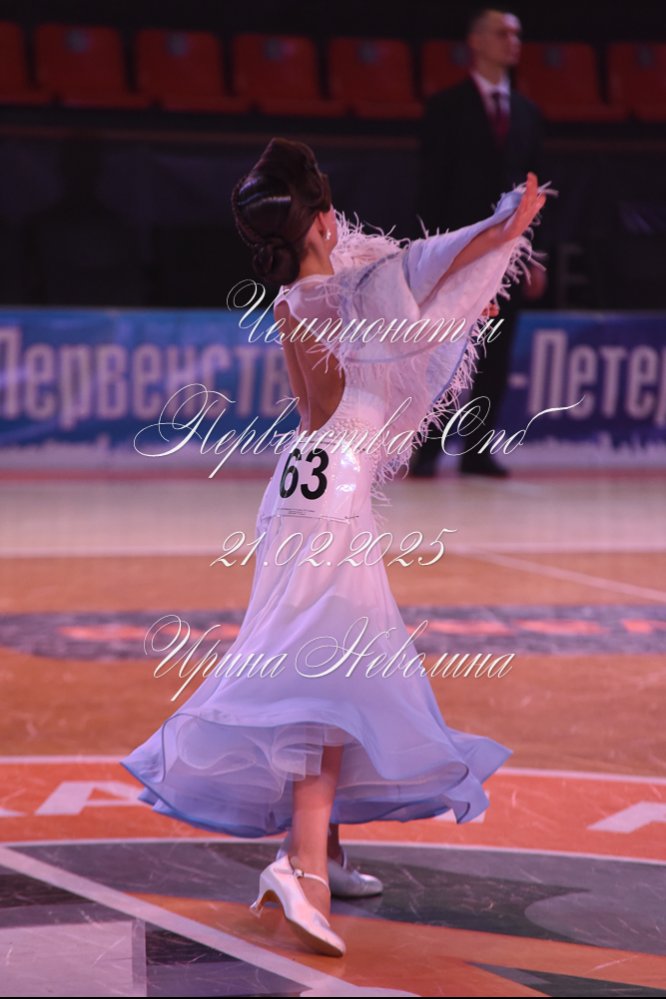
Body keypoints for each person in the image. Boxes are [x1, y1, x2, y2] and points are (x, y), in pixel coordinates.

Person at [121, 137, 554, 958]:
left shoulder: (304, 295)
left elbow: (415, 284)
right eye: (328, 211)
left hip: (303, 494)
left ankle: (324, 852)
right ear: (323, 221)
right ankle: (305, 871)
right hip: (325, 503)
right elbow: (417, 279)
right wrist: (498, 234)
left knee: (333, 676)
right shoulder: (341, 292)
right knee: (327, 686)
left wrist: (478, 257)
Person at [412, 6, 548, 478]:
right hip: (457, 251)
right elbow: (431, 186)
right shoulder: (445, 108)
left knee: (495, 350)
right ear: (476, 41)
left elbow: (537, 190)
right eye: (501, 32)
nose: (513, 41)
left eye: (517, 34)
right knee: (442, 350)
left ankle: (477, 450)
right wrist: (430, 254)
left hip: (507, 256)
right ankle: (426, 449)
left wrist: (533, 254)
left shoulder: (528, 113)